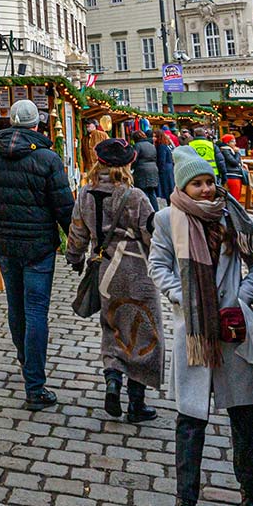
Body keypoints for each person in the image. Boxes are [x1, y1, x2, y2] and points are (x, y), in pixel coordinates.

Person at [149, 144, 253, 506]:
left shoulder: (233, 215)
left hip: (232, 327)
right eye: (197, 184)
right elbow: (158, 266)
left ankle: (249, 493)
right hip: (196, 329)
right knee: (190, 420)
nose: (206, 190)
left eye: (209, 182)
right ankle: (185, 505)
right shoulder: (167, 219)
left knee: (242, 415)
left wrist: (245, 296)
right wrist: (182, 296)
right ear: (183, 187)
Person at [0, 98, 75, 411]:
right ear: (37, 124)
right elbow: (64, 208)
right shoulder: (47, 158)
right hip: (39, 246)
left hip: (5, 244)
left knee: (16, 307)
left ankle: (24, 360)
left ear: (11, 121)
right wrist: (78, 246)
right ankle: (35, 385)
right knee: (36, 310)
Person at [68, 136, 162, 423]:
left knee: (112, 329)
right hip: (136, 272)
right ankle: (137, 403)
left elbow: (77, 231)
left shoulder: (85, 193)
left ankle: (112, 380)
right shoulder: (135, 197)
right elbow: (152, 236)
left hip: (105, 270)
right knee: (143, 333)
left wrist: (75, 257)